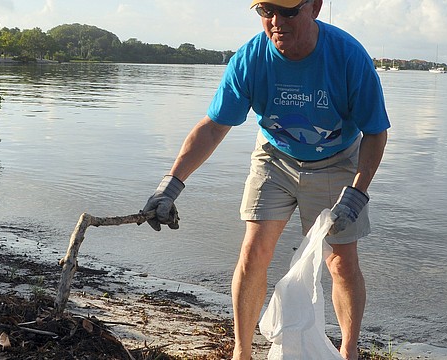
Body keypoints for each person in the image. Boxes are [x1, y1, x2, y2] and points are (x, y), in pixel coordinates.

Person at [141, 0, 390, 359]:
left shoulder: (349, 57)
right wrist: (171, 185)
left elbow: (375, 133)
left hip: (337, 160)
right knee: (254, 249)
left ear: (315, 7)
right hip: (274, 156)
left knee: (341, 261)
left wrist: (357, 192)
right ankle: (242, 352)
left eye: (288, 11)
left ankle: (348, 351)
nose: (276, 22)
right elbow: (213, 127)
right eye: (266, 11)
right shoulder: (250, 59)